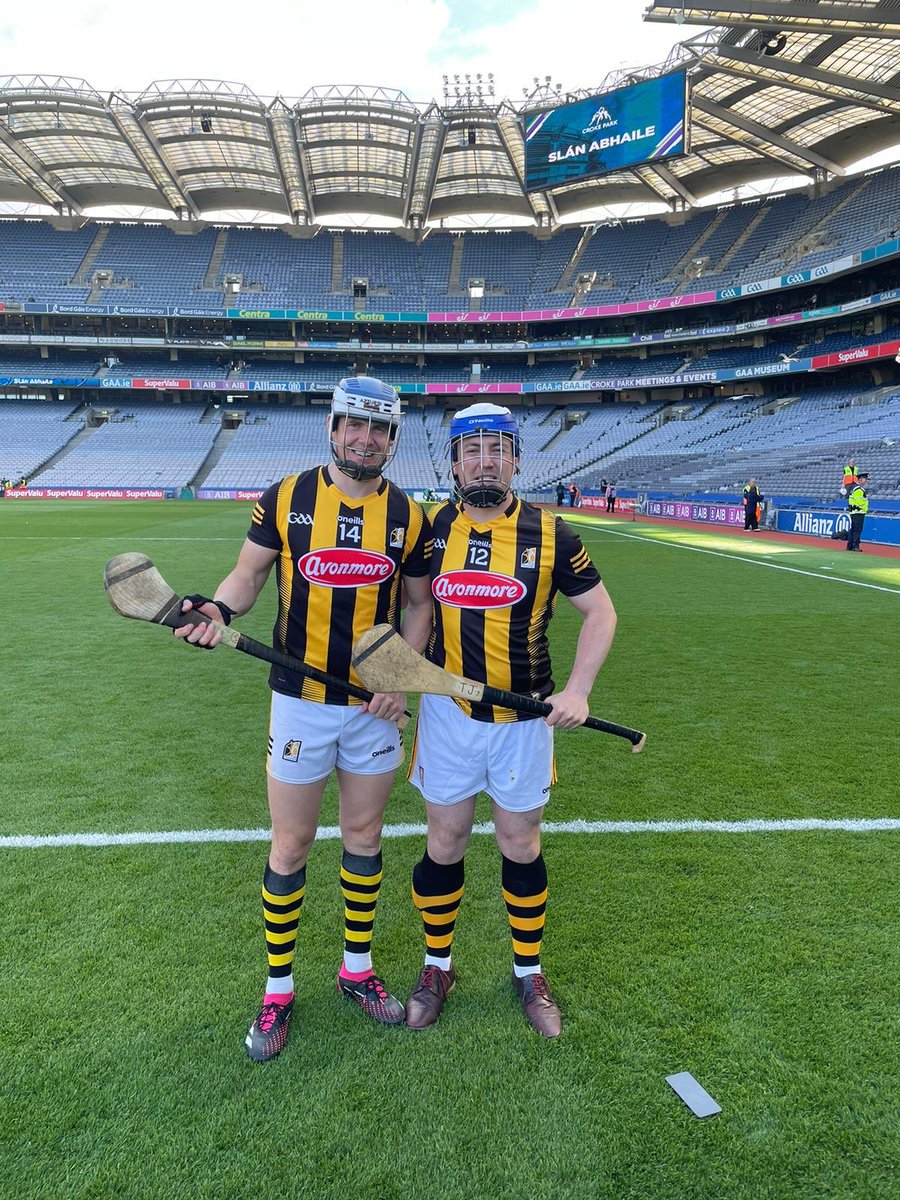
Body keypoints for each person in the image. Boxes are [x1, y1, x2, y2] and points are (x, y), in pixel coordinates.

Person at [174, 376, 433, 1061]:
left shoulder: (408, 515)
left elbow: (417, 606)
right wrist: (220, 612)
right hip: (298, 701)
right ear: (333, 426)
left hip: (371, 707)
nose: (365, 438)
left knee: (364, 836)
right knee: (290, 847)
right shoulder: (286, 498)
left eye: (379, 429)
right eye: (355, 424)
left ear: (392, 439)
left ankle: (355, 969)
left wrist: (399, 677)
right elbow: (248, 576)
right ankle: (279, 988)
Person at [404, 403, 617, 1038]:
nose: (484, 460)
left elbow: (601, 615)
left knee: (520, 845)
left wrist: (578, 690)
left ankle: (529, 971)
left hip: (525, 721)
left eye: (497, 449)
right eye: (472, 450)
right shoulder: (428, 529)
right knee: (444, 843)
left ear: (516, 460)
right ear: (454, 463)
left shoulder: (554, 534)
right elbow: (409, 613)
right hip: (448, 715)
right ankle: (437, 966)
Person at [846, 472, 869, 551]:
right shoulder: (858, 489)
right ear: (860, 479)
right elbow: (859, 501)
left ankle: (850, 545)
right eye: (865, 479)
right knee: (857, 529)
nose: (866, 481)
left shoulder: (854, 488)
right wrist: (864, 509)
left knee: (853, 529)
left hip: (854, 512)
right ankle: (855, 546)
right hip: (858, 512)